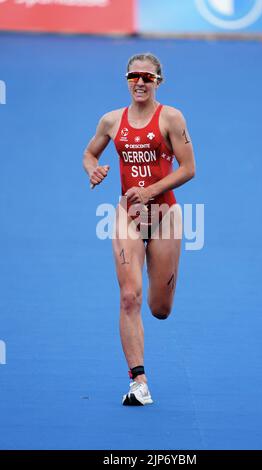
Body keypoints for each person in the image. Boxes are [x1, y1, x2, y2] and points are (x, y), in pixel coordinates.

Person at [83, 53, 195, 406]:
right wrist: (93, 169)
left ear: (159, 81)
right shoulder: (111, 121)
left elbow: (189, 168)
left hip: (164, 217)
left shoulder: (171, 118)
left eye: (148, 77)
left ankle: (157, 268)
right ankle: (138, 382)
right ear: (127, 80)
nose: (141, 82)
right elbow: (89, 153)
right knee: (129, 296)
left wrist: (150, 191)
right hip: (127, 217)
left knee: (160, 309)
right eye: (134, 76)